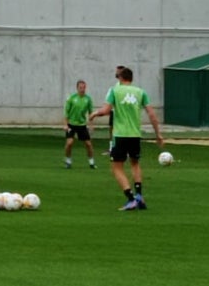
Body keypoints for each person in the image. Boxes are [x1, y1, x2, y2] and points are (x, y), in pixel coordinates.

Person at [89, 67, 163, 211]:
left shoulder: (114, 91)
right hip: (135, 135)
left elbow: (105, 111)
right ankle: (140, 195)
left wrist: (94, 114)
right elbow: (152, 115)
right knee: (135, 164)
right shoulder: (140, 92)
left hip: (120, 134)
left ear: (120, 78)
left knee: (117, 167)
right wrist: (158, 134)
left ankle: (131, 198)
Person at [63, 80, 95, 169]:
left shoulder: (88, 99)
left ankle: (91, 162)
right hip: (71, 124)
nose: (82, 89)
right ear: (77, 88)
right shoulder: (72, 98)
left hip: (82, 125)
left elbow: (91, 113)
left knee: (88, 144)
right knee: (69, 143)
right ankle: (68, 161)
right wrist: (65, 125)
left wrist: (91, 125)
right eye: (80, 87)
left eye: (84, 87)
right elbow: (66, 113)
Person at [102, 65, 125, 156]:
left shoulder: (125, 86)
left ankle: (123, 149)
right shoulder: (115, 86)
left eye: (118, 71)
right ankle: (112, 148)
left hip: (122, 112)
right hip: (114, 111)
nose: (116, 73)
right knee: (112, 129)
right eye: (116, 71)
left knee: (122, 130)